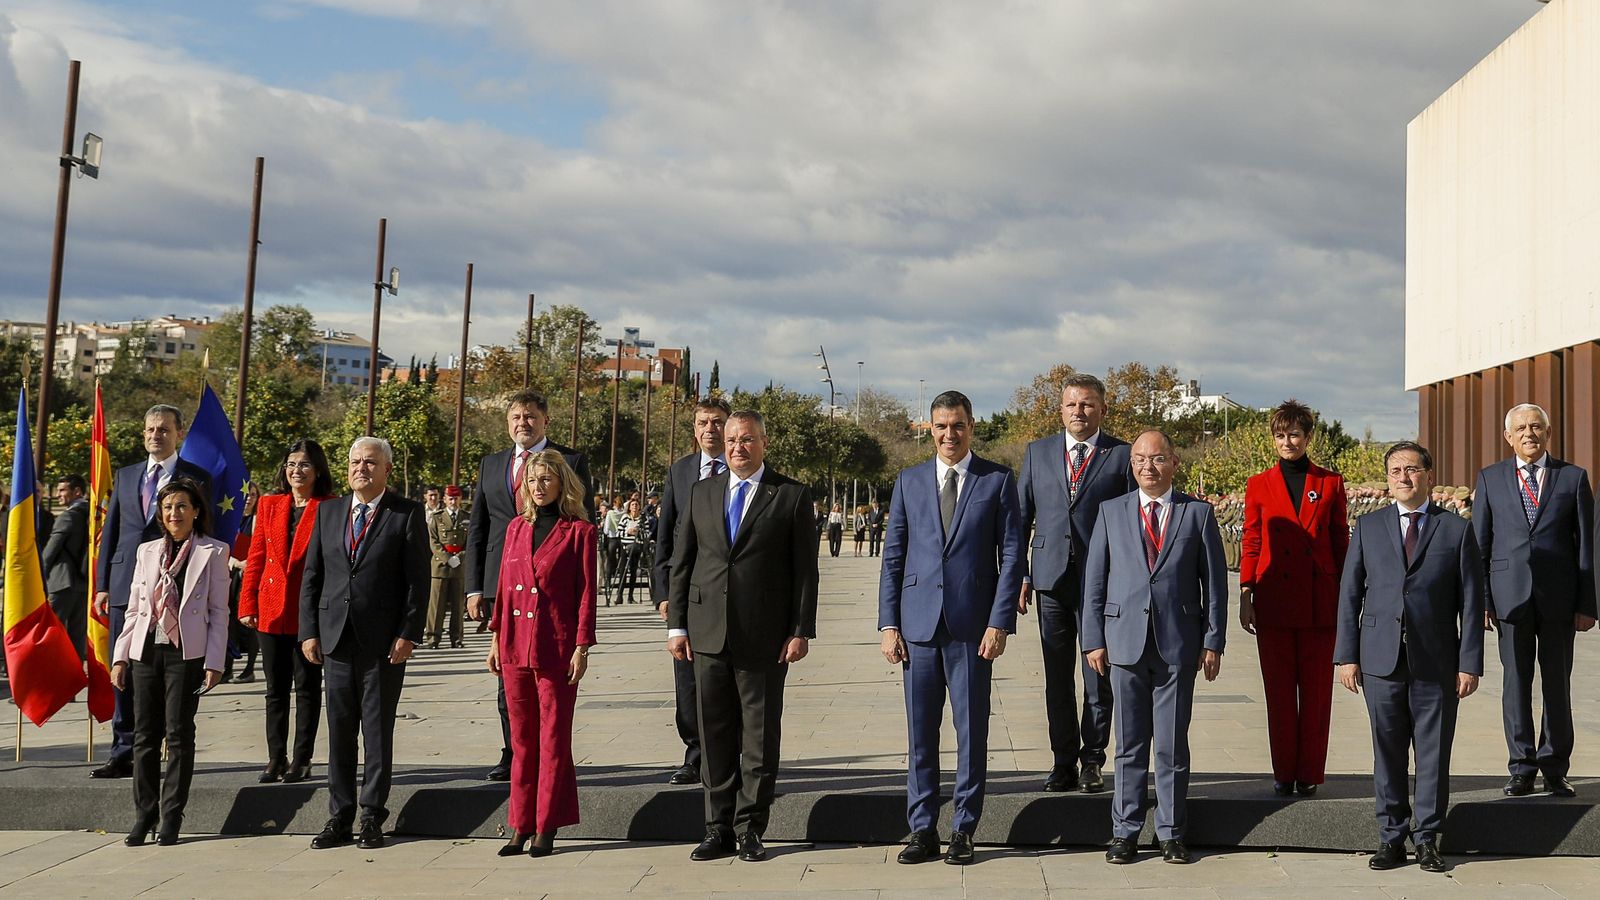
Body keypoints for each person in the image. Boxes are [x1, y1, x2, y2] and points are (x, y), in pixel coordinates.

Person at [879, 390, 1023, 866]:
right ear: (930, 428)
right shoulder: (909, 481)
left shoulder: (998, 481)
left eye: (957, 425)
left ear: (971, 426)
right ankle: (921, 829)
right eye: (940, 426)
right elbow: (894, 557)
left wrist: (1000, 621)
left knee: (970, 732)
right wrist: (888, 623)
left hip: (971, 630)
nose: (948, 434)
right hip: (918, 628)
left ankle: (963, 828)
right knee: (920, 734)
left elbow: (1011, 559)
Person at [667, 410, 818, 863]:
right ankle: (717, 829)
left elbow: (805, 571)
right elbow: (683, 562)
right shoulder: (701, 492)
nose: (736, 447)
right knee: (713, 736)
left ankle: (751, 827)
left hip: (765, 636)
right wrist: (677, 624)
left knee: (758, 737)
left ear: (763, 443)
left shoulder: (790, 495)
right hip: (706, 633)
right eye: (731, 439)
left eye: (747, 439)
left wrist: (800, 629)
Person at [1335, 441, 1482, 874]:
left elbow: (1471, 603)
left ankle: (1429, 839)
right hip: (1380, 661)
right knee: (1387, 752)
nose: (1403, 476)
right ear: (1388, 478)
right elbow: (1349, 594)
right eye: (1395, 470)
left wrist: (1469, 662)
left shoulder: (1456, 530)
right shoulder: (1368, 527)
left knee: (1433, 755)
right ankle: (1391, 838)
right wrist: (1346, 656)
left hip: (1436, 662)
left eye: (1412, 469)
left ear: (1429, 476)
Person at [1082, 431, 1227, 865]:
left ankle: (1170, 832)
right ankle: (1124, 832)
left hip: (1177, 645)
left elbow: (1215, 585)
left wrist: (1213, 640)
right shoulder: (1110, 512)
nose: (1148, 466)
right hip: (1123, 643)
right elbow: (1095, 581)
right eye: (1141, 459)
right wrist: (1092, 639)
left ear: (1174, 463)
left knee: (1170, 744)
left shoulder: (1197, 514)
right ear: (1131, 465)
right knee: (1128, 745)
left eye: (1158, 458)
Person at [299, 437, 429, 850]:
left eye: (370, 463)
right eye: (356, 462)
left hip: (382, 644)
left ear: (387, 469)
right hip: (335, 639)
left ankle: (372, 815)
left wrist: (408, 633)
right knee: (338, 732)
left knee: (376, 732)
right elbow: (312, 577)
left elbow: (417, 582)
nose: (361, 469)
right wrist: (309, 631)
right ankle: (340, 815)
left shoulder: (406, 514)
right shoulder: (329, 512)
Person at [465, 390, 594, 782]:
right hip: (501, 583)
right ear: (508, 423)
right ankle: (513, 752)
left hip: (550, 586)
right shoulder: (491, 465)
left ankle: (545, 757)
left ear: (545, 421)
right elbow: (479, 528)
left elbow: (581, 518)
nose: (523, 422)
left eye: (531, 416)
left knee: (547, 684)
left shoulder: (569, 461)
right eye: (516, 417)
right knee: (508, 679)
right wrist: (474, 587)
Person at [1016, 373, 1135, 794]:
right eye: (1071, 405)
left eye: (1087, 405)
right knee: (1057, 678)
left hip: (1103, 582)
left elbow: (1133, 520)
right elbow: (1019, 520)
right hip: (1050, 580)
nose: (1078, 412)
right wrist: (1021, 575)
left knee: (1098, 675)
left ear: (1102, 409)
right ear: (1061, 410)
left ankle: (1093, 759)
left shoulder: (1122, 456)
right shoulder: (1037, 453)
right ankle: (1062, 761)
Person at [1471, 403, 1594, 798]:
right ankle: (1521, 766)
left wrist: (1588, 604)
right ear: (1508, 436)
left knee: (1557, 684)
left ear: (1548, 433)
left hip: (1559, 600)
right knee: (1516, 683)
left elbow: (1586, 548)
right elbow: (1480, 546)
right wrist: (1483, 600)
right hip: (1509, 599)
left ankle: (1555, 766)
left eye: (1536, 427)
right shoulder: (1490, 479)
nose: (1529, 433)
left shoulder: (1573, 478)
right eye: (1521, 428)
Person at [92, 405, 214, 780]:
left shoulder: (196, 477)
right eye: (149, 429)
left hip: (177, 589)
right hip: (127, 583)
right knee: (124, 669)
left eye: (163, 429)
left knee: (168, 673)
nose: (155, 435)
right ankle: (124, 748)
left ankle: (161, 743)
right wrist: (101, 585)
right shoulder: (127, 476)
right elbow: (111, 531)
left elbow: (206, 530)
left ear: (179, 432)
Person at [487, 450, 598, 858]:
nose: (538, 486)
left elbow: (586, 593)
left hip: (556, 643)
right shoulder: (516, 527)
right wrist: (495, 638)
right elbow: (503, 587)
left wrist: (582, 645)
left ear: (561, 483)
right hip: (516, 643)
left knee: (552, 737)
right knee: (521, 740)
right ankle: (520, 823)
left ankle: (546, 824)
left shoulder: (580, 531)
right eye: (532, 479)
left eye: (546, 478)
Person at [1238, 400, 1350, 797]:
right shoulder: (1258, 484)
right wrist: (1246, 590)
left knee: (1318, 695)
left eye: (1295, 434)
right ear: (1273, 440)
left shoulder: (1331, 483)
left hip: (1321, 602)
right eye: (1281, 435)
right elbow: (1252, 539)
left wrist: (1348, 598)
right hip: (1274, 599)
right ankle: (1284, 771)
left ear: (1308, 437)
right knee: (1280, 694)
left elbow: (1341, 542)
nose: (1288, 442)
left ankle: (1310, 775)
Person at [111, 478, 230, 846]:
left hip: (185, 653)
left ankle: (171, 815)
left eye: (181, 506)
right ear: (160, 515)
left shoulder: (214, 551)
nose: (174, 513)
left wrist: (215, 662)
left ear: (196, 511)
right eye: (167, 507)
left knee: (179, 734)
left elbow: (218, 611)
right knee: (145, 735)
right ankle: (143, 814)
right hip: (145, 651)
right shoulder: (147, 551)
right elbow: (134, 608)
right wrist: (120, 657)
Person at [239, 439, 335, 785]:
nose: (297, 470)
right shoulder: (269, 505)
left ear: (318, 470)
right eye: (291, 464)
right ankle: (275, 758)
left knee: (307, 688)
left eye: (305, 464)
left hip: (309, 613)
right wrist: (247, 603)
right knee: (275, 688)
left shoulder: (330, 506)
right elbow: (256, 560)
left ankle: (302, 759)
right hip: (271, 608)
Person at [651, 397, 730, 787]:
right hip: (686, 592)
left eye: (717, 422)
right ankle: (694, 753)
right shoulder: (680, 472)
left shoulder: (743, 469)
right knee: (687, 678)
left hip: (727, 593)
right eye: (703, 422)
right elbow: (664, 538)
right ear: (694, 428)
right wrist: (664, 594)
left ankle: (726, 756)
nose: (710, 430)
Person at [43, 474, 91, 659]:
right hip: (83, 582)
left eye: (63, 490)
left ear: (77, 492)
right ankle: (74, 674)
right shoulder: (94, 515)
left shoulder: (67, 516)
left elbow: (50, 552)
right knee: (77, 634)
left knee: (53, 629)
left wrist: (39, 576)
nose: (57, 494)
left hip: (61, 582)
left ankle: (51, 672)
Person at [426, 485, 470, 649]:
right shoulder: (437, 518)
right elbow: (433, 541)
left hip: (459, 566)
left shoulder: (467, 517)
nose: (453, 501)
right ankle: (433, 638)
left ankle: (456, 638)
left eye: (456, 498)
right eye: (450, 498)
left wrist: (460, 557)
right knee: (436, 605)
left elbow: (470, 541)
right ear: (444, 499)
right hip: (440, 567)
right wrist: (446, 557)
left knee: (458, 605)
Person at [616, 499, 647, 603]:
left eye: (636, 505)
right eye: (632, 505)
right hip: (625, 547)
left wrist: (638, 533)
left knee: (633, 571)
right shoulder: (625, 518)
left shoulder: (643, 519)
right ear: (629, 507)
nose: (634, 507)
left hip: (636, 547)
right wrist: (627, 532)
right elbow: (618, 532)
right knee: (622, 571)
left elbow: (647, 533)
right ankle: (619, 595)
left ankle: (630, 596)